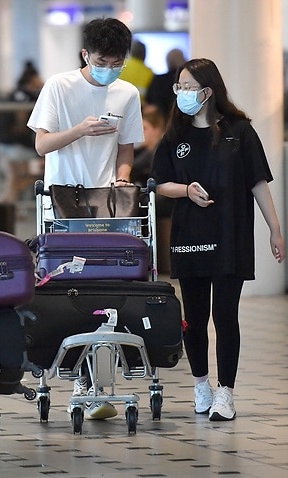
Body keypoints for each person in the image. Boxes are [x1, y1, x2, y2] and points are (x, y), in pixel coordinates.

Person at [152, 58, 285, 421]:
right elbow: (159, 182)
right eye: (178, 87)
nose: (181, 94)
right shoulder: (174, 136)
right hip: (189, 236)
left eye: (188, 87)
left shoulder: (239, 131)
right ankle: (201, 385)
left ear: (207, 92)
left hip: (230, 236)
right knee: (193, 318)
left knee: (225, 315)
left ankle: (226, 392)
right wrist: (185, 190)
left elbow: (258, 183)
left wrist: (275, 229)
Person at [27, 17, 144, 420]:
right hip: (64, 198)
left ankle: (93, 379)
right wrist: (78, 130)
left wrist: (123, 178)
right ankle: (81, 376)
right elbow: (42, 144)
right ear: (85, 55)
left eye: (116, 61)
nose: (108, 67)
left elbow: (127, 147)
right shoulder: (60, 86)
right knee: (69, 287)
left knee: (108, 286)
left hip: (109, 201)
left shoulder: (127, 93)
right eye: (101, 60)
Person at [146, 48, 187, 120]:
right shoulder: (185, 81)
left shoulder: (158, 80)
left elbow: (150, 100)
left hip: (159, 120)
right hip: (181, 119)